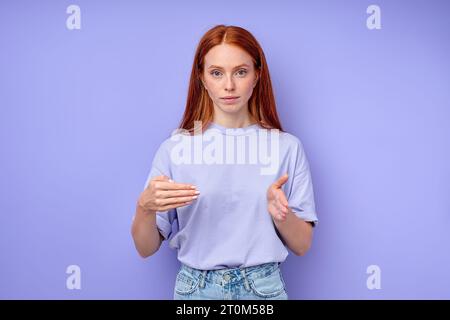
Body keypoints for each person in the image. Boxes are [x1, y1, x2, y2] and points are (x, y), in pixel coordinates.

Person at [131, 24, 318, 300]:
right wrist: (144, 208)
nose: (229, 85)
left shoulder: (286, 147)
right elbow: (145, 248)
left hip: (263, 290)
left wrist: (281, 215)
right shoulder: (175, 149)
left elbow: (302, 245)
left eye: (240, 72)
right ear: (202, 78)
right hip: (196, 291)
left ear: (257, 76)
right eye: (216, 73)